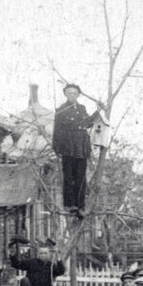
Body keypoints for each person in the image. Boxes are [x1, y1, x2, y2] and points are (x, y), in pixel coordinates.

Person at [51, 83, 98, 212]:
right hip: (68, 146)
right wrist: (56, 148)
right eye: (69, 93)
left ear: (78, 95)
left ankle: (80, 206)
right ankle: (70, 204)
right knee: (69, 176)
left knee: (81, 177)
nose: (72, 95)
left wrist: (98, 111)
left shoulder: (82, 108)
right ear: (65, 94)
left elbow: (88, 123)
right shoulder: (61, 109)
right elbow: (56, 129)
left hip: (81, 147)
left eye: (75, 93)